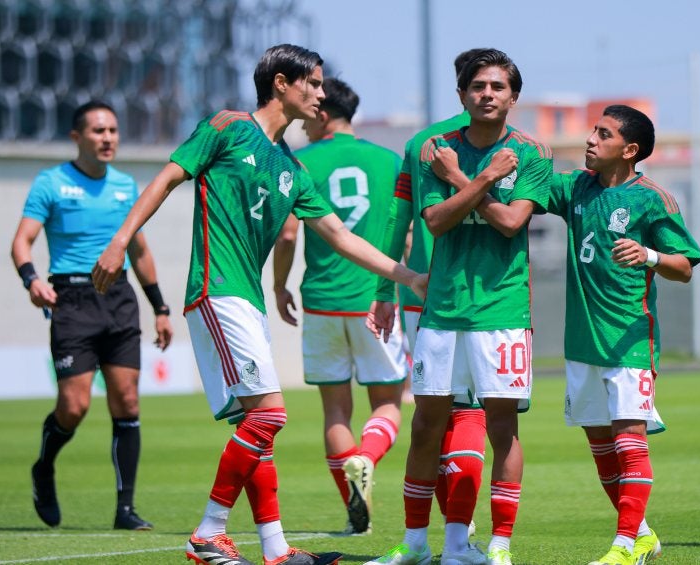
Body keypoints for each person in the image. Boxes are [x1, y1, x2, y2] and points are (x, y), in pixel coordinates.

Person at [92, 44, 426, 565]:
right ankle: (208, 533)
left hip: (247, 301)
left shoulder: (292, 166)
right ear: (281, 84)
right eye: (313, 83)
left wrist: (409, 277)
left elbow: (339, 235)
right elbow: (167, 178)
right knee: (269, 416)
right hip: (217, 289)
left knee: (258, 426)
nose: (321, 94)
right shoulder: (227, 127)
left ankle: (275, 549)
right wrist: (120, 240)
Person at [366, 48, 552, 565]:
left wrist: (465, 180)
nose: (487, 94)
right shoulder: (436, 151)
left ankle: (499, 546)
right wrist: (483, 178)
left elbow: (512, 224)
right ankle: (415, 544)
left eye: (497, 86)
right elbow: (435, 221)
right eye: (477, 86)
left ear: (513, 97)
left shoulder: (532, 153)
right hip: (443, 309)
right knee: (426, 425)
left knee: (502, 428)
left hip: (502, 311)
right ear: (462, 95)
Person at [546, 105, 700, 565]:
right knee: (601, 448)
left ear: (630, 149)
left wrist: (649, 255)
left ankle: (623, 546)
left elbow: (685, 267)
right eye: (593, 130)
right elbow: (530, 183)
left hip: (629, 341)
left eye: (603, 134)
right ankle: (644, 536)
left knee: (629, 441)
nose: (590, 139)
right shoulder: (576, 186)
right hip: (582, 341)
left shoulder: (652, 199)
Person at [10, 100, 174, 531]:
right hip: (72, 301)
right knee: (74, 405)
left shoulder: (125, 186)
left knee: (128, 401)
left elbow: (140, 251)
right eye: (99, 131)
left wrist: (160, 308)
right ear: (77, 137)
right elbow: (22, 241)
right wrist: (32, 281)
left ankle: (125, 510)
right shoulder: (50, 183)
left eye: (113, 131)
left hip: (119, 299)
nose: (108, 139)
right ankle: (43, 467)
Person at [272, 77, 406, 535]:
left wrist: (280, 286)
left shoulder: (300, 161)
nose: (304, 123)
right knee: (387, 402)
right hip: (376, 299)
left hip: (322, 301)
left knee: (335, 411)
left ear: (324, 114)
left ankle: (355, 513)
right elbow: (405, 231)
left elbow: (288, 234)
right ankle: (367, 458)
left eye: (310, 114)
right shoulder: (389, 160)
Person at [367, 47, 490, 546]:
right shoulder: (506, 143)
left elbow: (396, 219)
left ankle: (450, 527)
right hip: (483, 298)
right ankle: (461, 531)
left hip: (422, 293)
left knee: (432, 414)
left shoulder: (422, 142)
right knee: (470, 413)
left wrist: (385, 289)